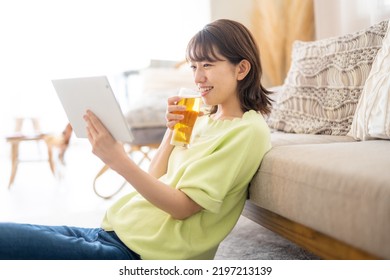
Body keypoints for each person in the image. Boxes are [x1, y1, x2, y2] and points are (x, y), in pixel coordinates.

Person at [0, 19, 272, 260]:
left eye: (208, 65)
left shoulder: (246, 131)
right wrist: (171, 130)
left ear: (241, 69)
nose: (198, 77)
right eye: (193, 66)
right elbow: (156, 176)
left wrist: (118, 160)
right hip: (113, 232)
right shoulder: (200, 117)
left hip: (139, 254)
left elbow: (183, 207)